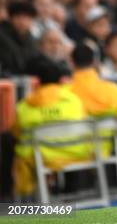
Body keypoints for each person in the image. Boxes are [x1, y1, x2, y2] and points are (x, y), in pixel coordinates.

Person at [11, 56, 90, 197]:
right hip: (74, 153)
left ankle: (30, 198)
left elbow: (17, 132)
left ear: (38, 82)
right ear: (61, 80)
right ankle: (71, 194)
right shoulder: (74, 100)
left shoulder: (24, 106)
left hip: (40, 157)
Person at [70, 43, 117, 119]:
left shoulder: (66, 92)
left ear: (71, 63)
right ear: (94, 62)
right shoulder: (113, 90)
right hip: (111, 130)